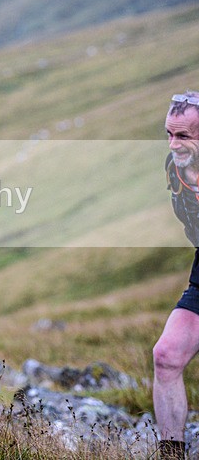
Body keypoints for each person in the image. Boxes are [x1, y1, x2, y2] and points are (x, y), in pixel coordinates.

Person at [153, 90, 199, 459]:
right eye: (169, 133)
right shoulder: (176, 169)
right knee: (166, 356)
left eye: (183, 135)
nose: (173, 144)